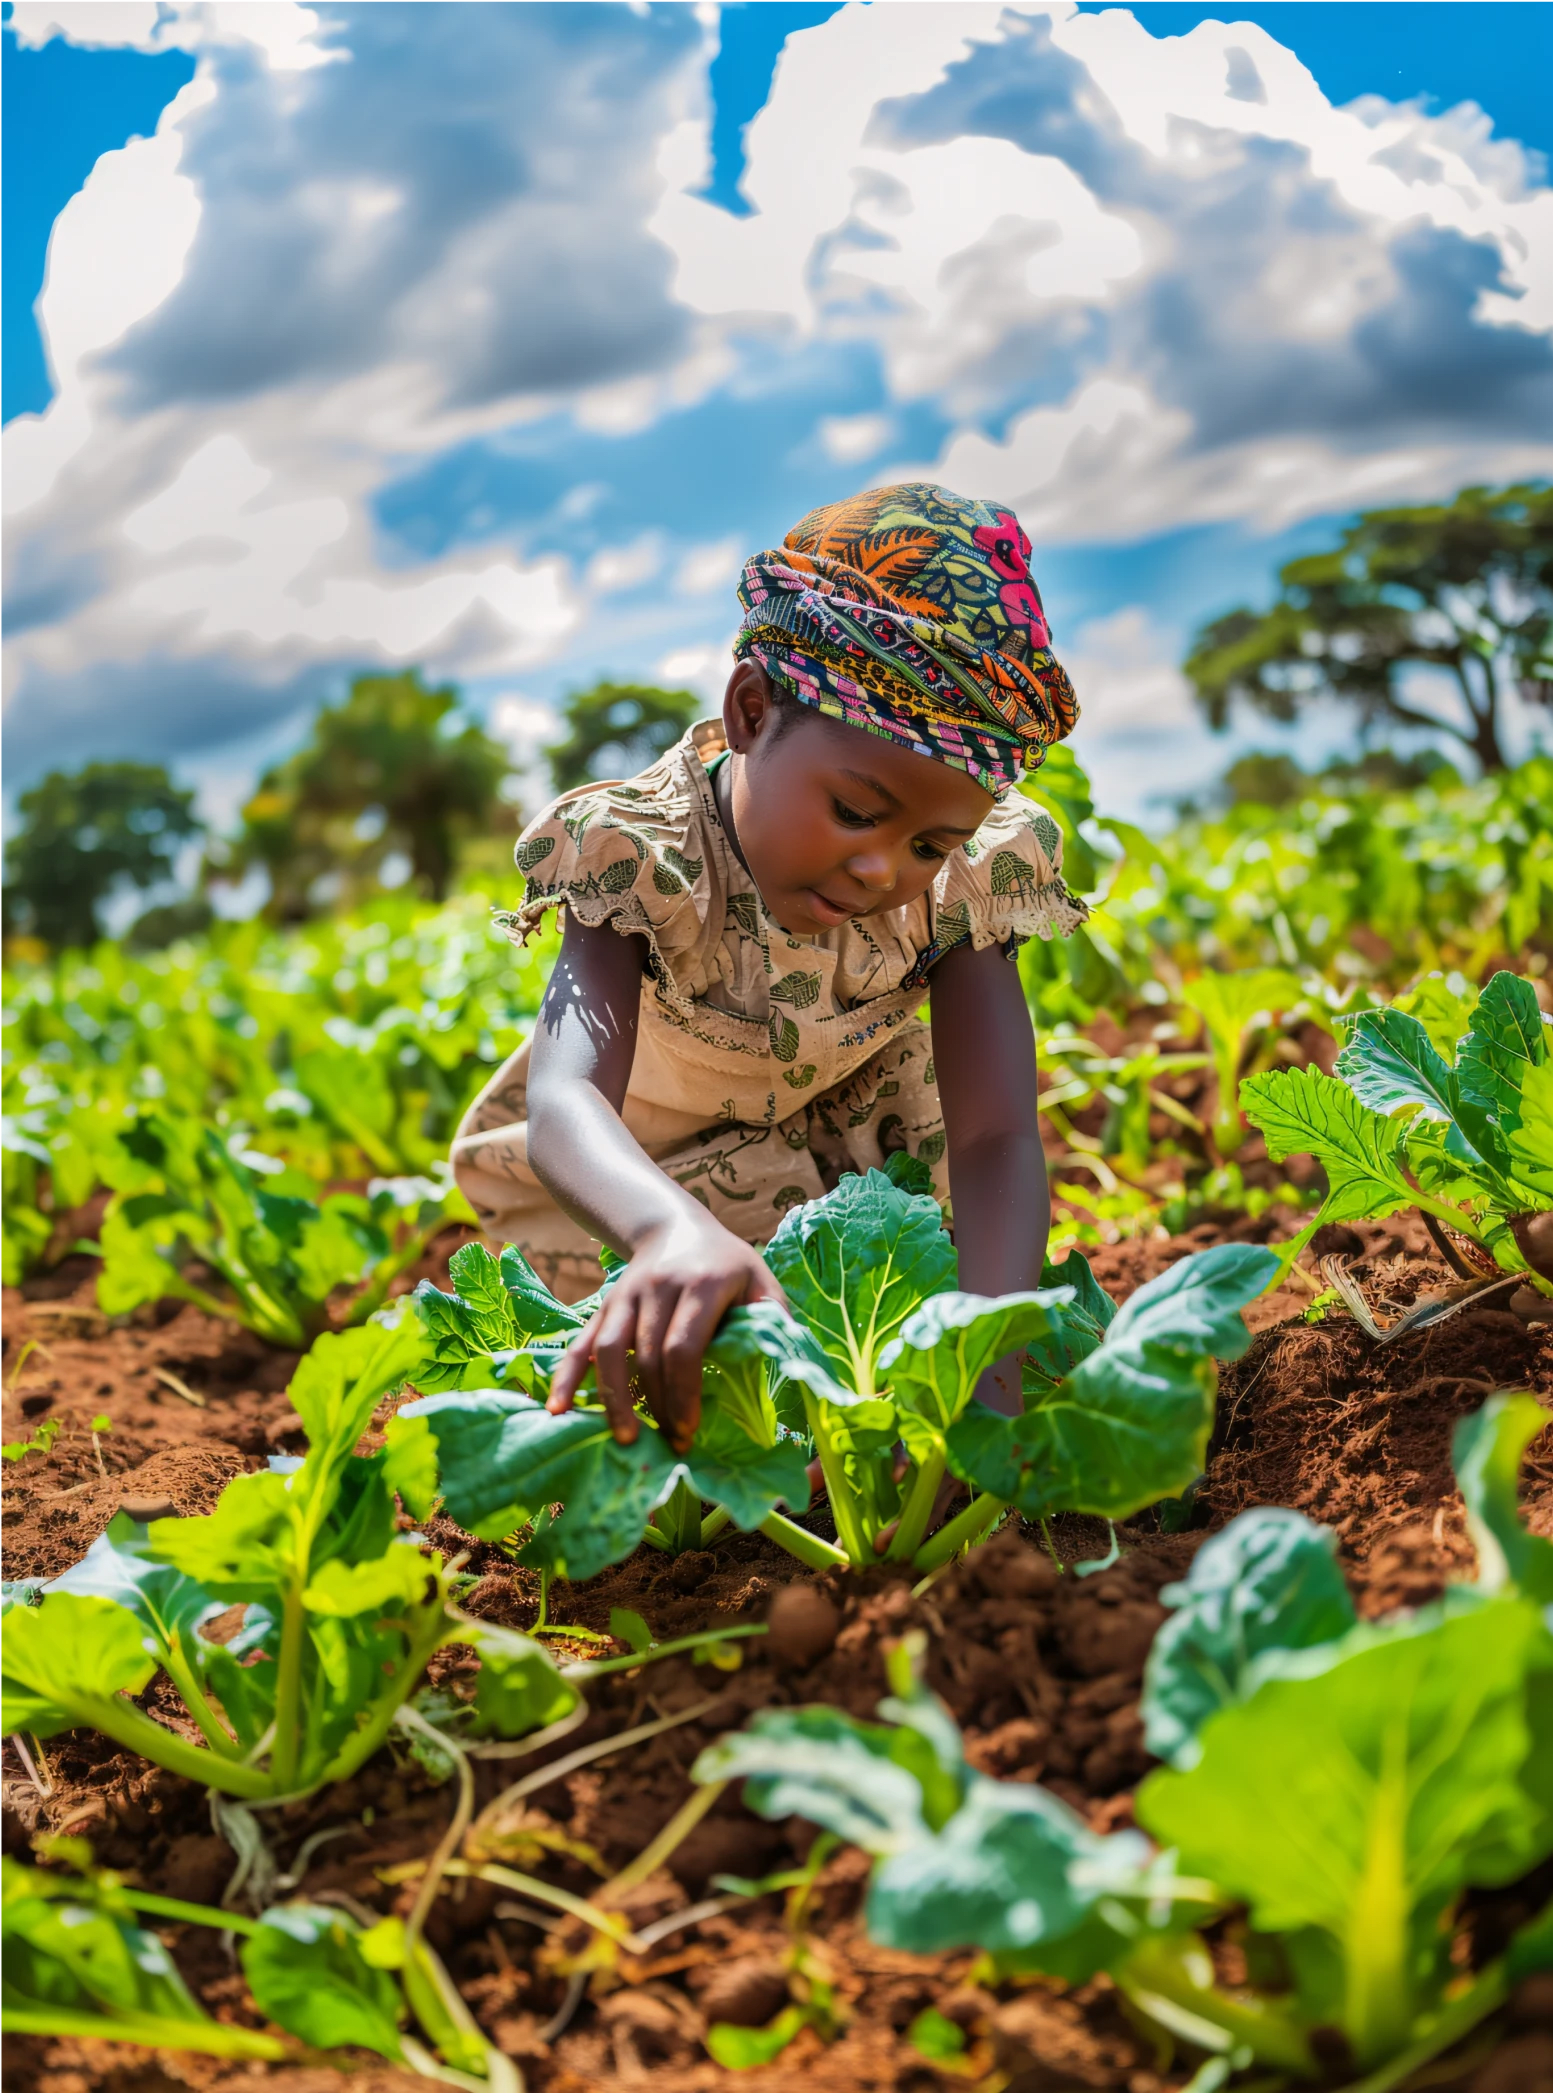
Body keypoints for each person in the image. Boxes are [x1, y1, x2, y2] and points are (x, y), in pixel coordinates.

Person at [452, 481, 1085, 1466]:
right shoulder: (640, 852)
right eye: (852, 811)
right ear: (750, 711)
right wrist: (669, 1232)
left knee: (927, 1325)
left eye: (926, 839)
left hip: (859, 1169)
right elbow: (565, 1100)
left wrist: (986, 1368)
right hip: (638, 1180)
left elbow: (997, 1132)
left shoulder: (964, 882)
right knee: (660, 1381)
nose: (883, 868)